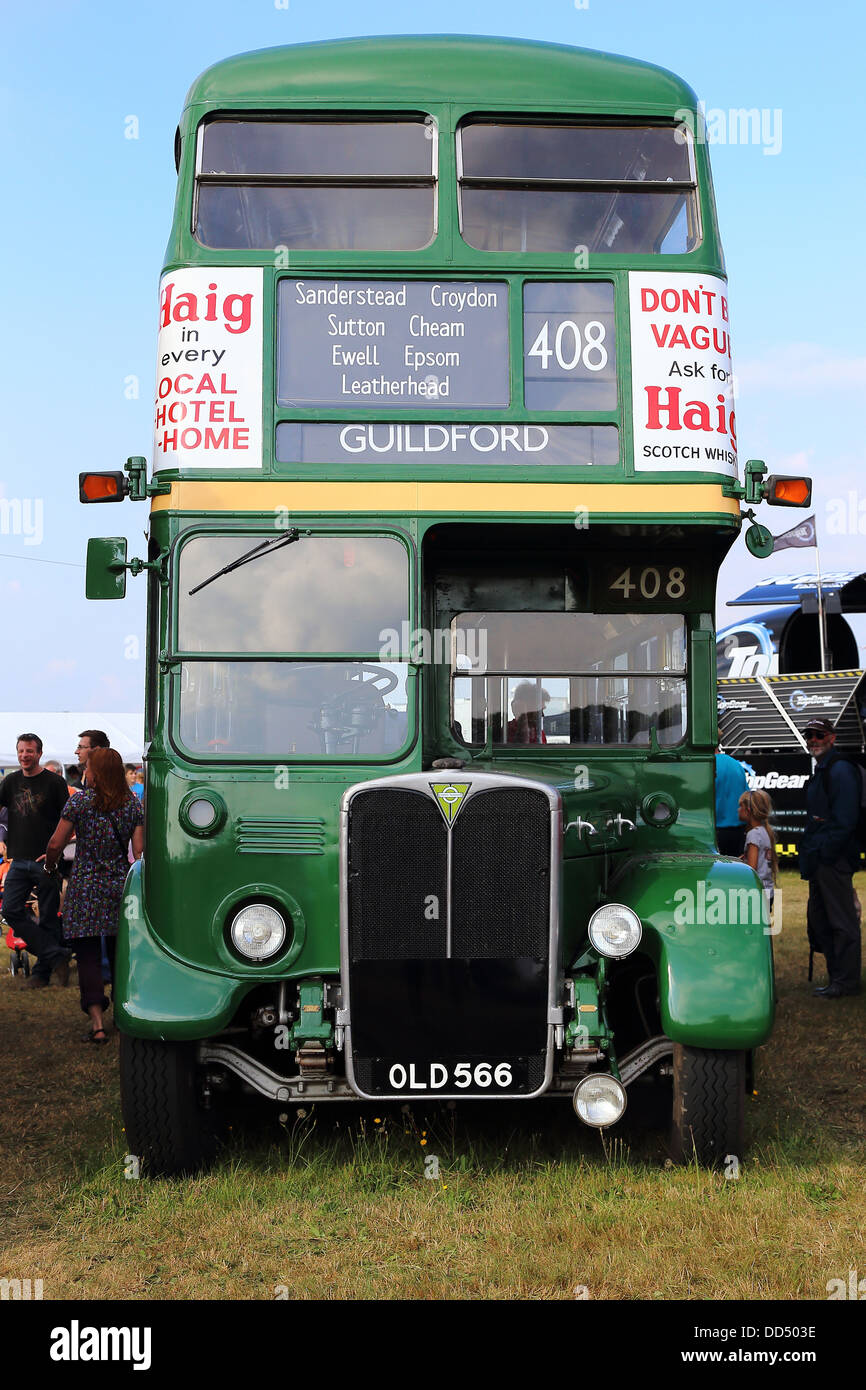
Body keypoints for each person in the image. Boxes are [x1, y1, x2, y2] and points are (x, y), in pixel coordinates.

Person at [44, 748, 144, 1043]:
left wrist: (50, 866)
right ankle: (126, 1016)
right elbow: (138, 852)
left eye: (87, 767)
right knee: (120, 954)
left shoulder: (79, 802)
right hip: (118, 886)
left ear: (96, 772)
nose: (84, 771)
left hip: (85, 886)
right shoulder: (132, 805)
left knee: (87, 954)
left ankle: (98, 1024)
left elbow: (55, 842)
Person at [0, 734, 71, 988]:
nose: (23, 756)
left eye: (29, 751)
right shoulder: (10, 782)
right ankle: (56, 955)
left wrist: (57, 849)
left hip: (46, 860)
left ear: (39, 753)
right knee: (9, 910)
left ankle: (41, 974)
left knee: (49, 917)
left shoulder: (55, 783)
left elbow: (70, 821)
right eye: (20, 751)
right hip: (18, 860)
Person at [799, 717, 862, 998]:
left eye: (819, 735)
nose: (813, 739)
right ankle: (837, 977)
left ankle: (846, 982)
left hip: (833, 859)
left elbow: (845, 820)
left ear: (832, 738)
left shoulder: (840, 770)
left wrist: (825, 853)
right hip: (820, 858)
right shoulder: (823, 769)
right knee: (820, 921)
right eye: (809, 735)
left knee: (842, 922)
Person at [738, 789, 778, 910]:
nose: (738, 810)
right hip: (768, 892)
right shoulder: (764, 831)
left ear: (748, 810)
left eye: (740, 806)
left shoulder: (753, 835)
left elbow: (752, 869)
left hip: (756, 894)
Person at [715, 745, 749, 855]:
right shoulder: (736, 764)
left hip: (713, 831)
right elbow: (747, 797)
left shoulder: (706, 766)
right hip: (738, 831)